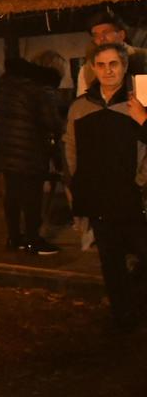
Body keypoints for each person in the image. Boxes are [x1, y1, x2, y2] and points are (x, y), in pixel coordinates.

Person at [63, 42, 147, 334]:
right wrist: (78, 181)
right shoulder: (80, 107)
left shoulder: (138, 104)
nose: (108, 70)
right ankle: (123, 316)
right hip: (99, 195)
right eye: (101, 65)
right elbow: (71, 148)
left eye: (114, 64)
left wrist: (140, 179)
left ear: (124, 67)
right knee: (111, 261)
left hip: (133, 195)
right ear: (93, 69)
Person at [0, 56, 65, 254]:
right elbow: (51, 122)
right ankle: (33, 240)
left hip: (5, 149)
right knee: (32, 196)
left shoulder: (3, 84)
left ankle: (14, 237)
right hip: (30, 150)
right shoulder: (40, 88)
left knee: (12, 194)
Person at [77, 8, 146, 95]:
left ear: (121, 35)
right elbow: (84, 102)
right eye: (96, 35)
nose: (101, 38)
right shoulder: (88, 69)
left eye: (106, 33)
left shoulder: (143, 57)